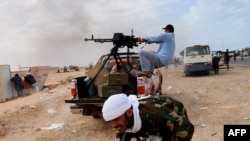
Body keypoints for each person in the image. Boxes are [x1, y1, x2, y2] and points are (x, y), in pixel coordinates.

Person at [102, 93, 194, 141]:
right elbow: (124, 132)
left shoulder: (157, 115)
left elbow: (187, 129)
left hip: (175, 116)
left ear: (129, 112)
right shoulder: (127, 119)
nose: (113, 125)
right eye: (109, 121)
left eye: (116, 119)